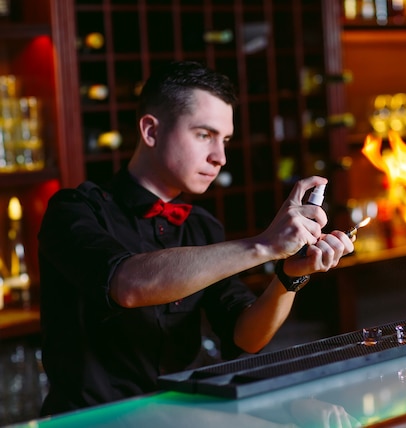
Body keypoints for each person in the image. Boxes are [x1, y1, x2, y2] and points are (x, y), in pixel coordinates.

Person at [38, 60, 354, 416]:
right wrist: (264, 245)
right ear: (150, 131)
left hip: (182, 417)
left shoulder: (202, 227)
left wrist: (288, 278)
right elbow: (128, 285)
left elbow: (245, 337)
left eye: (226, 140)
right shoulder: (73, 211)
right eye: (204, 135)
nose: (220, 157)